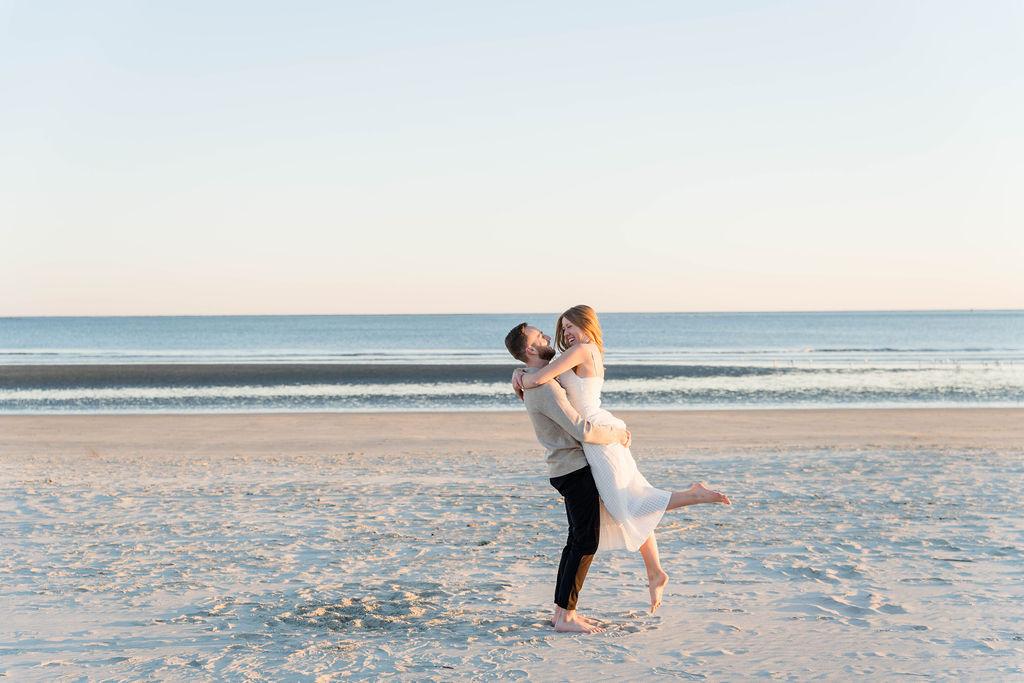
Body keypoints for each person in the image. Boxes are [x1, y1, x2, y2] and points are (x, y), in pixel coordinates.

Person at [512, 305, 730, 613]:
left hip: (599, 435)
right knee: (628, 501)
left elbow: (541, 378)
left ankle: (692, 496)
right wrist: (521, 371)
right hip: (598, 433)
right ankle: (655, 571)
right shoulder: (583, 351)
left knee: (628, 504)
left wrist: (521, 375)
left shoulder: (581, 350)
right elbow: (546, 376)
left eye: (570, 327)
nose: (565, 334)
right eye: (563, 329)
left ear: (586, 326)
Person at [504, 323, 631, 634]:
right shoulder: (544, 387)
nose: (548, 337)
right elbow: (582, 430)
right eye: (540, 336)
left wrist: (519, 375)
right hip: (572, 469)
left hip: (565, 467)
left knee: (577, 540)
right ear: (531, 349)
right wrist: (618, 433)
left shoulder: (539, 380)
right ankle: (566, 616)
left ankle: (561, 613)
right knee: (585, 541)